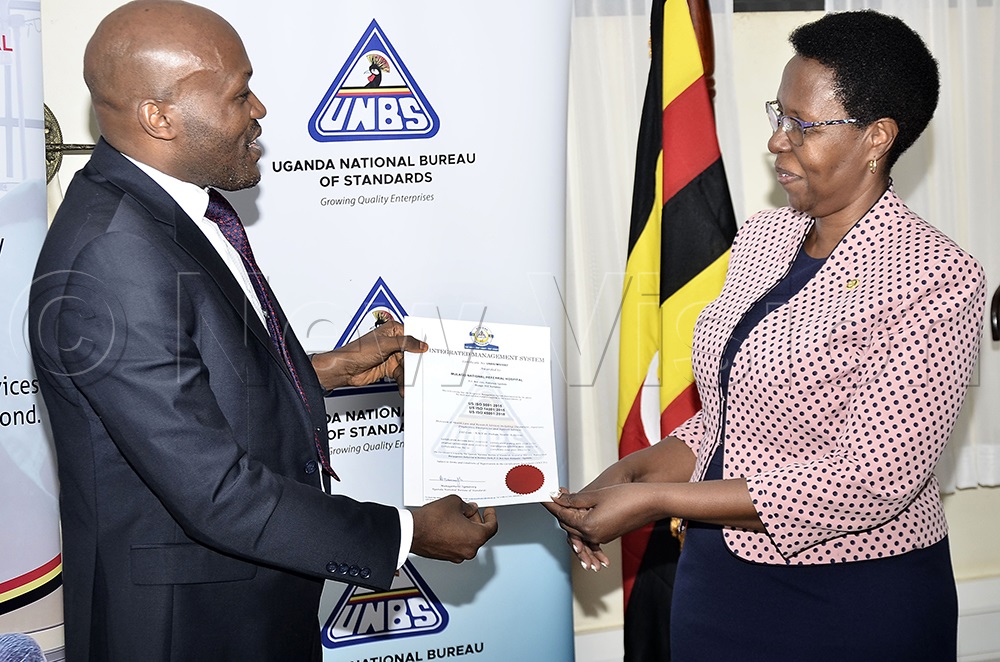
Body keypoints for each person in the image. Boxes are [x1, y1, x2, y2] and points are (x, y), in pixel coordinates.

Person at [28, 1, 497, 660]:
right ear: (157, 117)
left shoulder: (176, 211)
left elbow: (190, 375)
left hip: (244, 605)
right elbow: (216, 493)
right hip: (184, 629)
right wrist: (406, 533)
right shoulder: (114, 254)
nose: (261, 110)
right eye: (238, 93)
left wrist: (327, 369)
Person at [546, 10, 986, 660]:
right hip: (719, 582)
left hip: (851, 602)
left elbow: (868, 481)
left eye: (802, 126)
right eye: (777, 116)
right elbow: (729, 421)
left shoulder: (934, 276)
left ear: (877, 139)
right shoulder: (763, 236)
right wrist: (625, 478)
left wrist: (656, 501)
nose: (777, 142)